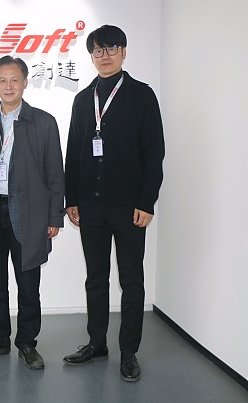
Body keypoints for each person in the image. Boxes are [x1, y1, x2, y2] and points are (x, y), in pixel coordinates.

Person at [63, 25, 165, 382]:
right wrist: (71, 198)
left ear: (123, 52)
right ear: (91, 56)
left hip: (129, 206)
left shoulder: (142, 95)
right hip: (90, 205)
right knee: (95, 278)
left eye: (111, 49)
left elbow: (154, 151)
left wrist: (147, 201)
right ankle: (96, 344)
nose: (104, 56)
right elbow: (74, 150)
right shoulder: (83, 99)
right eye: (98, 50)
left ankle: (129, 352)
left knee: (132, 280)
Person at [0, 55, 65, 370]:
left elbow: (55, 173)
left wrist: (54, 216)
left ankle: (27, 343)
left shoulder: (44, 122)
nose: (8, 86)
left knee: (28, 285)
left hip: (29, 213)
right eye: (2, 80)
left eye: (14, 80)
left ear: (25, 82)